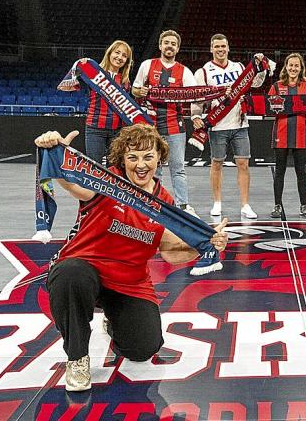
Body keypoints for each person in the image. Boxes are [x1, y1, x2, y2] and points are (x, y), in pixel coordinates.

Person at [33, 124, 229, 391]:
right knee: (71, 275)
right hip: (84, 270)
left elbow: (171, 251)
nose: (140, 164)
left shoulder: (163, 202)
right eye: (132, 157)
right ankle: (77, 358)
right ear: (121, 159)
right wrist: (56, 149)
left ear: (159, 158)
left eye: (148, 157)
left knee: (143, 349)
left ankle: (113, 321)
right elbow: (71, 183)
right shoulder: (104, 182)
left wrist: (207, 243)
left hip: (129, 283)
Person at [191, 34, 266, 219]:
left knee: (243, 163)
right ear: (211, 49)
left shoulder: (239, 67)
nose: (220, 49)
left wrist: (260, 66)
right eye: (216, 46)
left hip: (240, 122)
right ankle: (217, 203)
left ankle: (245, 205)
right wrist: (195, 116)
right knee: (217, 163)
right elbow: (197, 97)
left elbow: (255, 83)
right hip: (217, 124)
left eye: (223, 46)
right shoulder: (203, 71)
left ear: (228, 47)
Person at [132, 30, 199, 217]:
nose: (169, 46)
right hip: (150, 126)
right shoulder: (147, 65)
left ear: (177, 48)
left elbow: (195, 94)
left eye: (173, 44)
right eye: (166, 42)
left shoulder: (184, 71)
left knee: (178, 167)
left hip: (174, 125)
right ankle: (151, 202)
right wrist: (140, 92)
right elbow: (135, 89)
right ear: (160, 45)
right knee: (154, 167)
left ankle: (183, 206)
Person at [62, 40, 133, 164]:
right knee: (95, 168)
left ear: (127, 61)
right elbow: (71, 83)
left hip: (117, 130)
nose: (120, 57)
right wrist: (82, 64)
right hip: (95, 128)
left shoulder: (125, 81)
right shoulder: (94, 73)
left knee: (114, 169)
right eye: (117, 52)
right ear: (109, 53)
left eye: (124, 56)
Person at [268, 53, 306, 219]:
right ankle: (277, 206)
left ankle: (304, 206)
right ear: (286, 67)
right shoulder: (276, 86)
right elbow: (268, 107)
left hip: (301, 135)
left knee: (301, 172)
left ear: (301, 68)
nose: (293, 68)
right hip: (281, 134)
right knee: (279, 172)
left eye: (297, 66)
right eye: (291, 65)